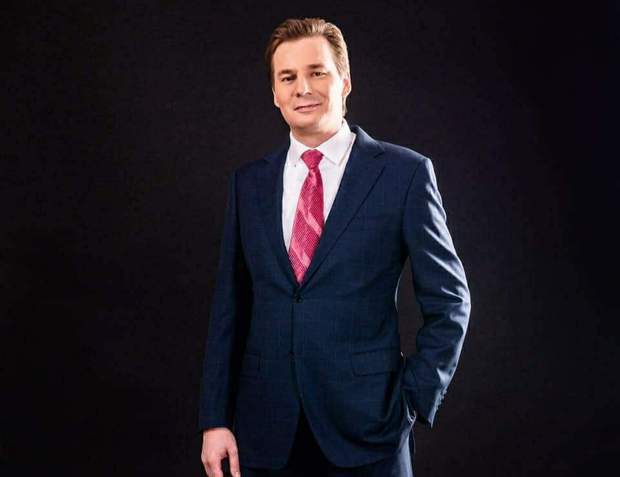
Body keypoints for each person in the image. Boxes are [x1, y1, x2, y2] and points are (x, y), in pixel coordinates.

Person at [198, 17, 470, 477]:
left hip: (371, 429)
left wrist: (413, 399)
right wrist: (215, 419)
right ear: (275, 93)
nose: (302, 88)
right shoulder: (249, 184)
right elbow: (231, 308)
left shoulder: (403, 174)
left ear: (345, 81)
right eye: (288, 77)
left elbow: (450, 301)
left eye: (317, 72)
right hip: (265, 431)